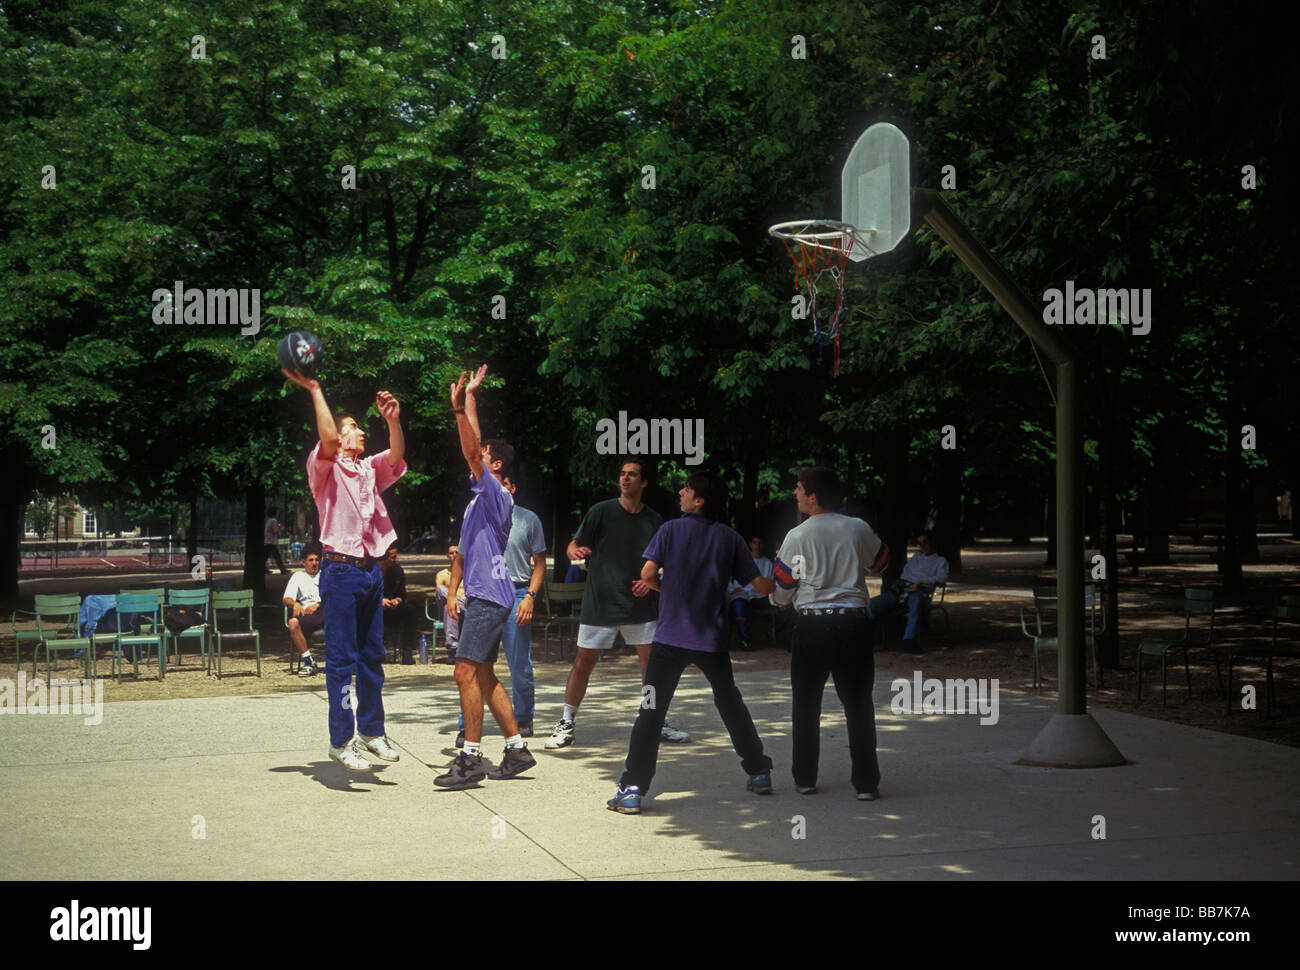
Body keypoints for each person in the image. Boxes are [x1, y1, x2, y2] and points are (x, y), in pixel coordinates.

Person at [606, 471, 775, 815]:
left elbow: (648, 575)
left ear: (699, 499)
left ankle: (633, 787)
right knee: (730, 704)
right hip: (711, 640)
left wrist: (664, 590)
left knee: (650, 711)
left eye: (686, 489)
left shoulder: (669, 530)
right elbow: (761, 586)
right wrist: (788, 582)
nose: (681, 492)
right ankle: (758, 771)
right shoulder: (730, 538)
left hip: (668, 640)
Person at [282, 365, 405, 773]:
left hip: (371, 571)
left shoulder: (368, 469)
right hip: (339, 571)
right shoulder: (325, 468)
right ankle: (341, 740)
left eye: (358, 428)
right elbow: (329, 438)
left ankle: (371, 731)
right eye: (352, 428)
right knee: (341, 660)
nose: (359, 432)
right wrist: (315, 388)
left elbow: (398, 455)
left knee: (371, 656)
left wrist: (393, 420)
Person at [435, 365, 537, 789]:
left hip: (488, 596)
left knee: (464, 672)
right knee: (486, 674)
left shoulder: (495, 491)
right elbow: (477, 446)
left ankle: (471, 759)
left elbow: (473, 450)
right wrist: (472, 398)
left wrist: (458, 410)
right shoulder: (482, 494)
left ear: (495, 464)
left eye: (482, 454)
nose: (475, 456)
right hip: (487, 594)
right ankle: (515, 748)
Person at [545, 459, 690, 750]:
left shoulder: (653, 520)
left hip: (640, 605)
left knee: (651, 666)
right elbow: (572, 546)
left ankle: (654, 719)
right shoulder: (601, 511)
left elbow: (663, 561)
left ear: (643, 482)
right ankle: (567, 722)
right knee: (583, 662)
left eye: (632, 475)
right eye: (622, 474)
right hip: (601, 603)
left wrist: (651, 579)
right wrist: (576, 549)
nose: (625, 479)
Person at [771, 466, 889, 802]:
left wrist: (778, 602)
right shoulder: (858, 528)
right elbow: (880, 563)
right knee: (858, 705)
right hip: (853, 623)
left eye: (797, 488)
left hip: (811, 625)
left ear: (812, 495)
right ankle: (866, 783)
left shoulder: (797, 535)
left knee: (806, 704)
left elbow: (784, 586)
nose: (794, 493)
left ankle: (805, 777)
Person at [449, 474, 546, 744]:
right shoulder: (476, 514)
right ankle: (465, 726)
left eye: (502, 483)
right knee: (473, 664)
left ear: (512, 488)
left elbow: (539, 563)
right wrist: (453, 593)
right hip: (482, 594)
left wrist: (530, 596)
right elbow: (460, 556)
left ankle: (523, 720)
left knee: (518, 662)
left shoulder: (527, 520)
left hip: (516, 591)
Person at [869, 530, 949, 653]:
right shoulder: (916, 557)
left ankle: (909, 641)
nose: (923, 546)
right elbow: (906, 574)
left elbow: (942, 578)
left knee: (916, 602)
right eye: (920, 543)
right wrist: (911, 583)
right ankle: (866, 636)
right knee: (871, 603)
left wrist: (920, 581)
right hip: (902, 589)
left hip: (920, 591)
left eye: (925, 542)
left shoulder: (940, 561)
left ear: (932, 542)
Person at [284, 540, 325, 677]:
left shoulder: (325, 575)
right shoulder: (298, 576)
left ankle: (349, 661)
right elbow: (286, 598)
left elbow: (334, 596)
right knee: (292, 623)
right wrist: (295, 604)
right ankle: (309, 662)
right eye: (310, 560)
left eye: (317, 560)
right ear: (303, 562)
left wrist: (318, 604)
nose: (314, 563)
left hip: (325, 611)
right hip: (307, 615)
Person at [727, 535, 775, 650]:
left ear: (763, 545)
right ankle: (745, 640)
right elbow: (728, 578)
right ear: (750, 544)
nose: (757, 546)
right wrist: (732, 589)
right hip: (742, 593)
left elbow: (770, 583)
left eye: (760, 543)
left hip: (759, 596)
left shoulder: (768, 563)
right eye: (754, 543)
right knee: (738, 604)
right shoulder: (742, 560)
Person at [381, 542, 416, 664]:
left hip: (393, 608)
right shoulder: (373, 572)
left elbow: (402, 594)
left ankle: (407, 650)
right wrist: (380, 601)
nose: (397, 559)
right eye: (393, 557)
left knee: (410, 610)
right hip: (376, 609)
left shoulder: (398, 571)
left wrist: (397, 600)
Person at [435, 543, 463, 661]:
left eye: (457, 552)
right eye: (451, 553)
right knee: (443, 593)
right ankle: (453, 649)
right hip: (451, 609)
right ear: (447, 555)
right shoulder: (442, 574)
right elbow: (439, 595)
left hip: (467, 609)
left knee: (449, 606)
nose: (454, 555)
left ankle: (452, 650)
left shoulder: (468, 573)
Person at [263, 506, 290, 575]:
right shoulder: (273, 521)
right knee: (277, 557)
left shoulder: (269, 520)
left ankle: (263, 569)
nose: (278, 513)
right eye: (277, 512)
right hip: (271, 542)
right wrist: (281, 528)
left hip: (268, 542)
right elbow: (275, 531)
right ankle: (283, 570)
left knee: (266, 557)